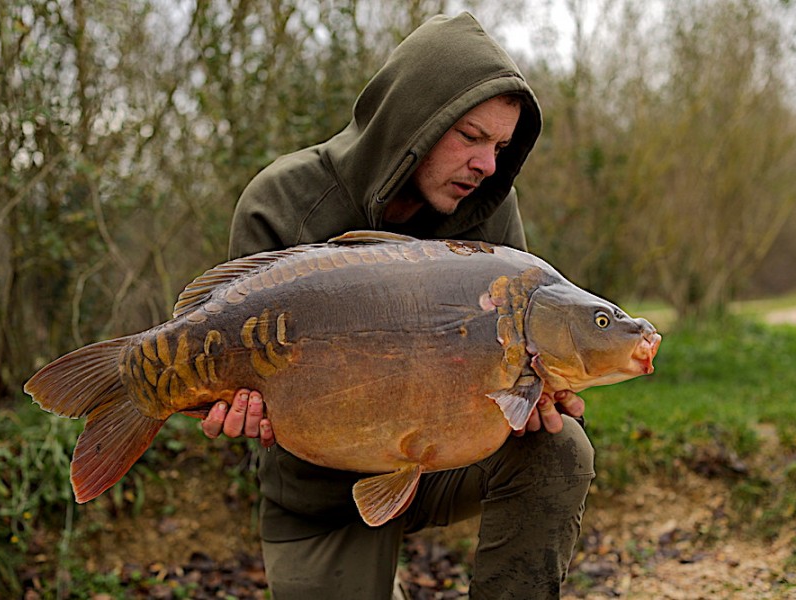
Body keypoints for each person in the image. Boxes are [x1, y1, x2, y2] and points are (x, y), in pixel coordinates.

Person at [200, 12, 594, 599]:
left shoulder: (490, 205)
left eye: (501, 147)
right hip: (320, 488)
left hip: (451, 455)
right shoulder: (282, 201)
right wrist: (239, 403)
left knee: (561, 446)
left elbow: (520, 353)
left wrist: (537, 391)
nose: (487, 165)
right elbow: (238, 364)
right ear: (414, 123)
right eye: (471, 137)